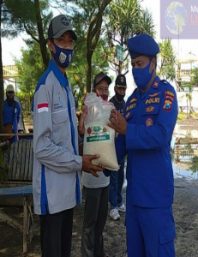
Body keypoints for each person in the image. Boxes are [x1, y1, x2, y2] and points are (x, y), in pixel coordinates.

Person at [32, 14, 102, 257]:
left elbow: (68, 139)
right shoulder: (45, 87)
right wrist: (78, 162)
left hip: (68, 196)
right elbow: (41, 147)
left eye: (70, 42)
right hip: (51, 198)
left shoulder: (65, 86)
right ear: (50, 45)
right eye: (61, 41)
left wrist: (88, 152)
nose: (67, 47)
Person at [108, 33, 178, 257]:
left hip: (156, 196)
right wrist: (101, 142)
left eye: (140, 64)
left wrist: (127, 130)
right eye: (133, 64)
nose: (136, 69)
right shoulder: (132, 101)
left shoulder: (166, 93)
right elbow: (122, 147)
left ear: (153, 63)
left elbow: (161, 135)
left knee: (158, 251)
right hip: (135, 197)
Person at [79, 72, 112, 257]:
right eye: (100, 89)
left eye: (106, 89)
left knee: (101, 223)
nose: (104, 92)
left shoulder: (109, 109)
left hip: (105, 177)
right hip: (91, 177)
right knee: (90, 224)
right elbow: (82, 130)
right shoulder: (89, 108)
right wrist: (83, 116)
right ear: (94, 91)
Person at [108, 74, 127, 221]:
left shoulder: (125, 104)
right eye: (119, 88)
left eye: (124, 88)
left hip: (123, 145)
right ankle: (113, 206)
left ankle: (119, 201)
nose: (121, 91)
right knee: (113, 177)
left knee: (121, 176)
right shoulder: (110, 104)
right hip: (111, 145)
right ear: (115, 88)